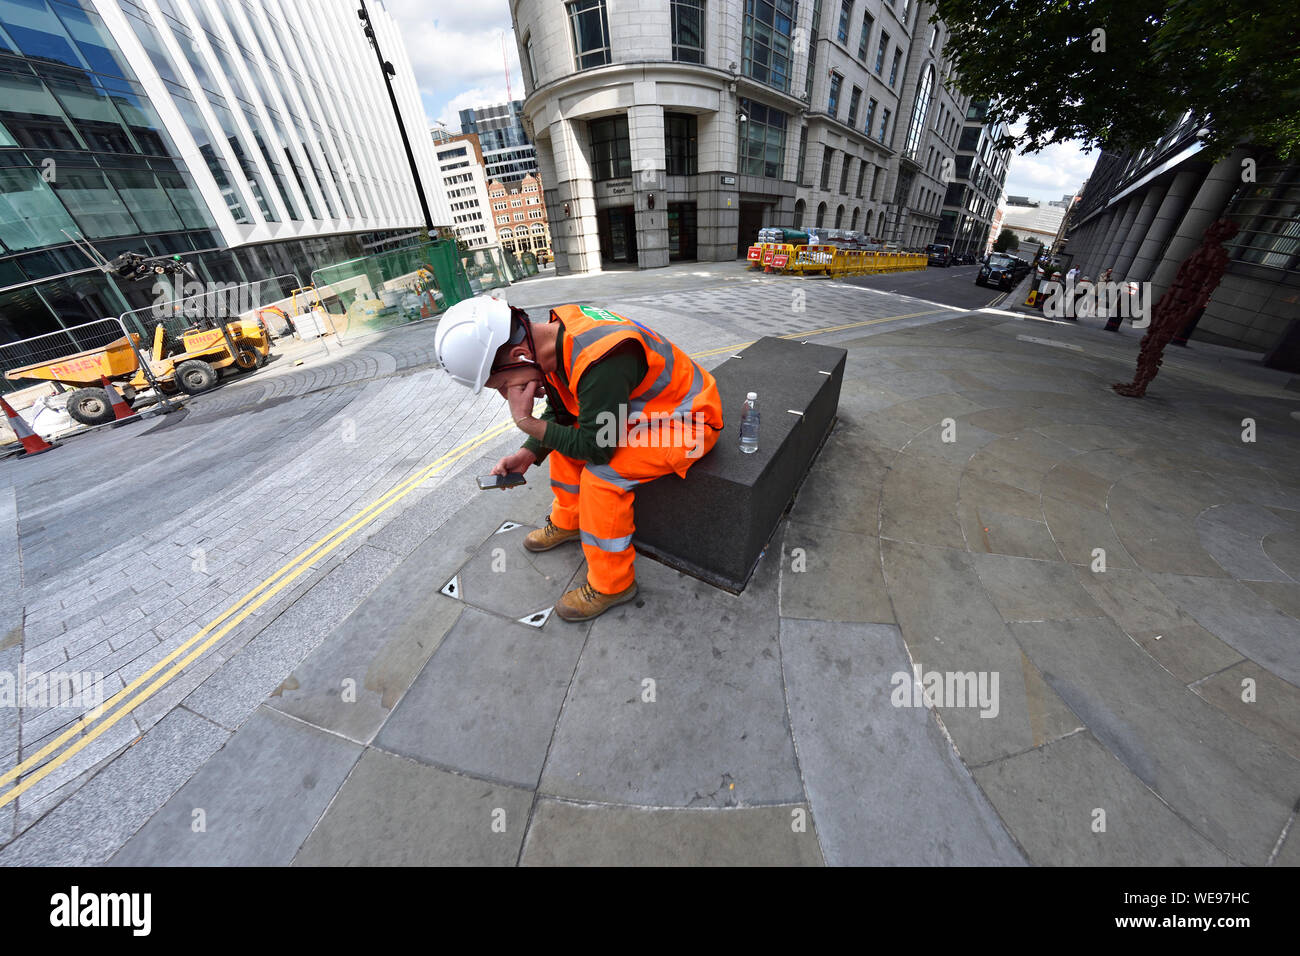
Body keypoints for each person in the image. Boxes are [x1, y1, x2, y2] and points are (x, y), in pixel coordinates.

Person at [434, 295, 724, 621]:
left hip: (686, 423)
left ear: (519, 354)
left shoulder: (600, 361)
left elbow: (596, 448)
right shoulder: (555, 340)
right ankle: (569, 521)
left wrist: (526, 422)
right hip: (638, 415)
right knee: (564, 438)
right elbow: (563, 411)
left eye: (502, 385)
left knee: (602, 475)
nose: (506, 395)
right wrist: (529, 452)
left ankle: (613, 584)